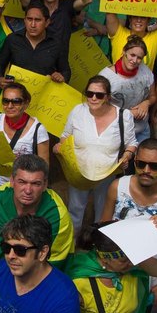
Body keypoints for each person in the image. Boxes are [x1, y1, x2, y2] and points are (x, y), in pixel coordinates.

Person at [100, 139, 157, 306]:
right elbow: (104, 229)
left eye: (154, 166)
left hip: (150, 273)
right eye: (141, 164)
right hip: (115, 268)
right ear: (135, 161)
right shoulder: (117, 186)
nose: (146, 171)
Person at [0, 154, 73, 291]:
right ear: (12, 181)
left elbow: (55, 262)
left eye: (36, 184)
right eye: (22, 182)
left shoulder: (57, 215)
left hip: (35, 286)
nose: (28, 190)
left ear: (45, 185)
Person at [58, 76, 136, 230]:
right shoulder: (77, 111)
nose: (93, 98)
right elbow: (65, 136)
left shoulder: (123, 116)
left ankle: (97, 245)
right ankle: (72, 244)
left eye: (99, 95)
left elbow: (131, 142)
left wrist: (127, 155)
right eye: (89, 93)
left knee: (104, 211)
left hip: (107, 173)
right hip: (79, 172)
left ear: (107, 97)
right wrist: (61, 148)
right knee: (75, 210)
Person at [0, 82, 49, 194]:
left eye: (16, 101)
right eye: (6, 101)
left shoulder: (38, 130)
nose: (10, 106)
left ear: (26, 103)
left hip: (23, 189)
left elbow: (44, 166)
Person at [0, 1, 70, 86]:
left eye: (37, 20)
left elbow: (66, 71)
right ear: (25, 20)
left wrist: (62, 76)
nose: (33, 25)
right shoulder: (12, 39)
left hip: (44, 95)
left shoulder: (57, 44)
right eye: (29, 19)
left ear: (47, 22)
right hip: (16, 95)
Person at [99, 36, 155, 143]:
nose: (134, 61)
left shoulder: (145, 71)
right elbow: (98, 107)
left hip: (141, 131)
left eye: (139, 58)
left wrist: (146, 103)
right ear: (124, 51)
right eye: (132, 55)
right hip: (117, 132)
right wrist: (127, 114)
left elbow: (153, 95)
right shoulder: (106, 77)